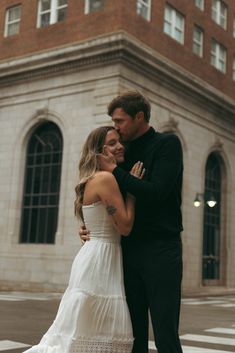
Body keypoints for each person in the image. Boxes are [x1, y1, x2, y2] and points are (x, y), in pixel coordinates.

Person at [23, 126, 144, 353]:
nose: (119, 146)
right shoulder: (107, 179)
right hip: (101, 259)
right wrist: (133, 191)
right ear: (99, 152)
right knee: (92, 331)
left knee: (86, 330)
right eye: (111, 143)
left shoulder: (95, 178)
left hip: (96, 256)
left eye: (119, 141)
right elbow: (125, 226)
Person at [80, 91, 184, 353]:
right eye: (113, 122)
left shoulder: (167, 145)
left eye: (121, 121)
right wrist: (90, 227)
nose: (116, 128)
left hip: (161, 248)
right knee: (132, 334)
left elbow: (157, 193)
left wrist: (115, 171)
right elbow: (106, 199)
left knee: (165, 331)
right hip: (126, 250)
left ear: (139, 117)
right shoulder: (121, 151)